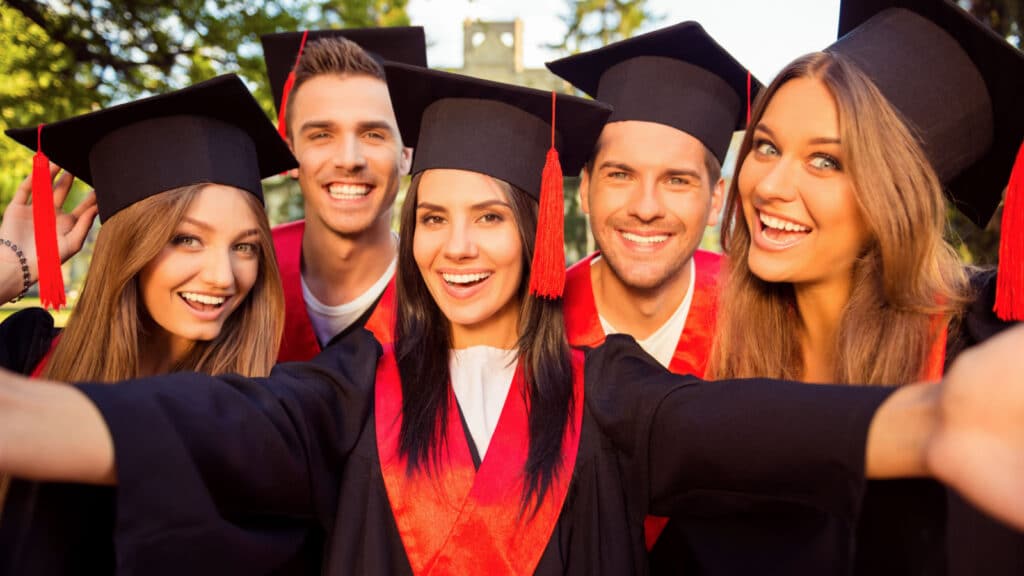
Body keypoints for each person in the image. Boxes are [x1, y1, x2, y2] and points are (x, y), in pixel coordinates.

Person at [1, 63, 1024, 576]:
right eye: (432, 219)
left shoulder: (609, 384)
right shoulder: (347, 387)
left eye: (489, 217)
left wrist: (927, 423)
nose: (456, 247)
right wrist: (25, 417)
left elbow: (734, 427)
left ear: (537, 230)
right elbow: (213, 425)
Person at [709, 2, 1024, 575]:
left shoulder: (986, 343)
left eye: (826, 161)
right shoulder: (727, 353)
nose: (771, 185)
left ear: (895, 199)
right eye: (767, 146)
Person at [0, 74, 296, 574]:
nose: (223, 276)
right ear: (129, 246)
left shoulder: (268, 416)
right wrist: (10, 267)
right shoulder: (25, 352)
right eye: (186, 239)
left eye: (245, 246)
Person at [545, 21, 759, 562]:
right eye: (620, 175)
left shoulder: (763, 319)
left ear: (716, 201)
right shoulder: (533, 330)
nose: (646, 206)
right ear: (584, 189)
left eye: (677, 180)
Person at [261, 28, 427, 360]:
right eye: (322, 135)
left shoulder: (440, 290)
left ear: (406, 153)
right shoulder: (248, 276)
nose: (349, 160)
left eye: (373, 134)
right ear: (290, 154)